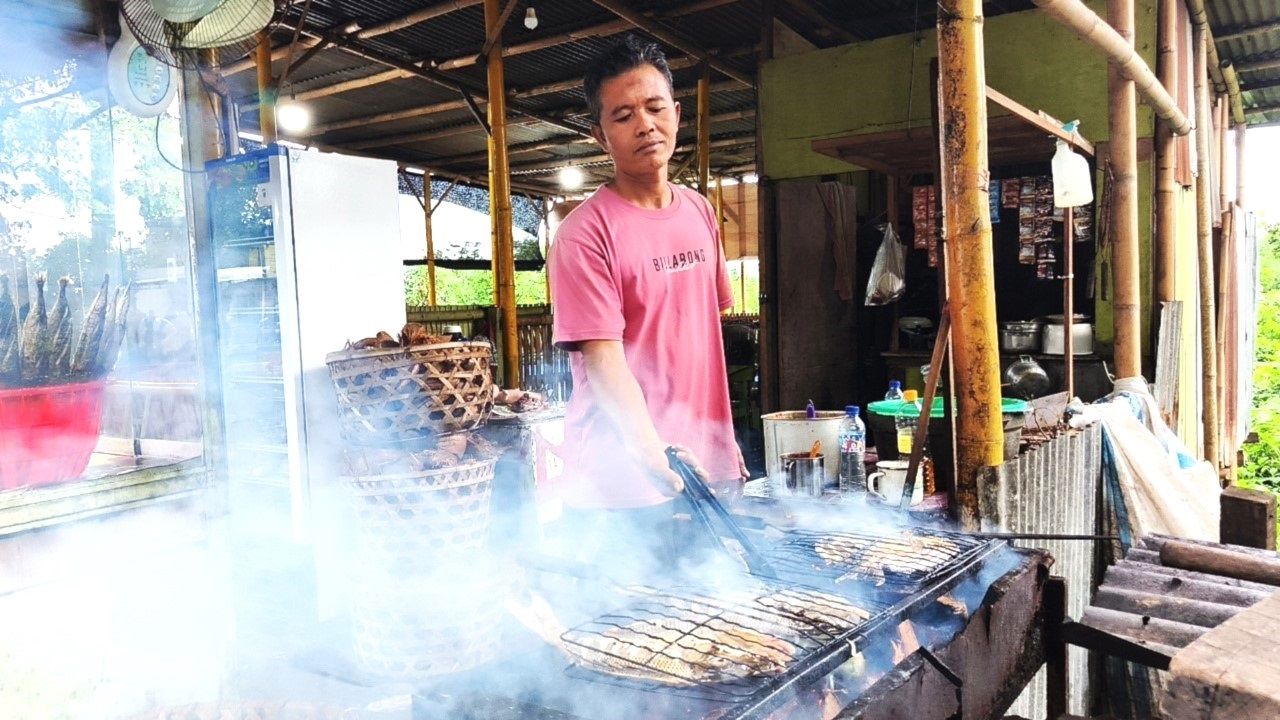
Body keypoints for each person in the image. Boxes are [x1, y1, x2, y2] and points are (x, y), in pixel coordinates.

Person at [547, 35, 747, 580]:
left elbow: (702, 338)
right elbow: (603, 359)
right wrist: (650, 454)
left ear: (676, 114)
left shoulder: (700, 212)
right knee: (629, 626)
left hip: (698, 471)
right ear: (600, 134)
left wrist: (721, 448)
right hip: (620, 489)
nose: (645, 125)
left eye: (655, 108)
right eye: (623, 115)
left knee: (713, 621)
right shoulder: (584, 235)